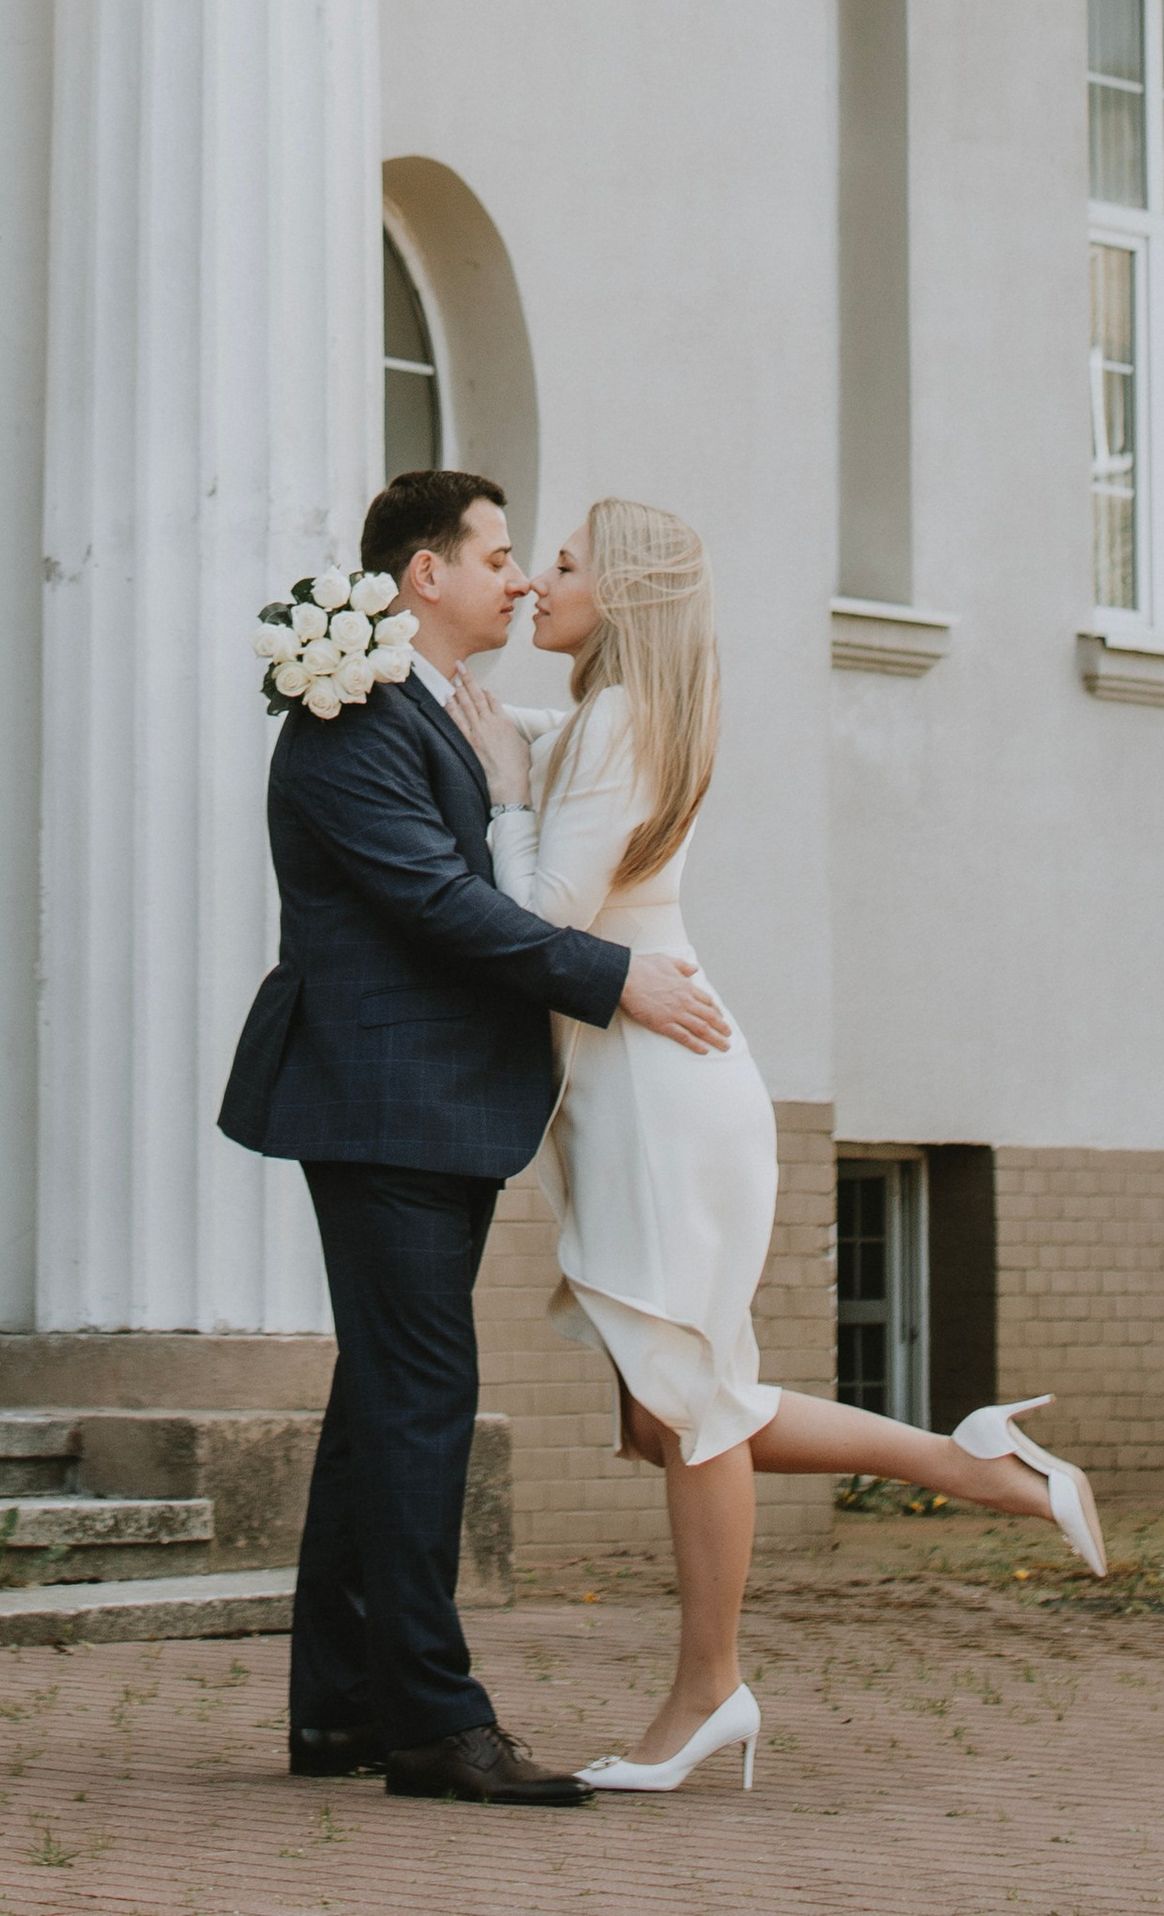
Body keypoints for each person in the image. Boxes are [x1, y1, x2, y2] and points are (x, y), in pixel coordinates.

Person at [449, 497, 1108, 1798]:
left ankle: (708, 1694)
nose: (537, 587)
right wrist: (482, 733)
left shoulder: (624, 725)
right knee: (676, 1417)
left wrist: (512, 799)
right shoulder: (613, 717)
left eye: (565, 566)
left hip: (663, 1105)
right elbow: (536, 752)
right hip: (656, 1097)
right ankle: (967, 1460)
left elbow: (544, 916)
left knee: (687, 1414)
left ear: (621, 598)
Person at [218, 468, 733, 1807]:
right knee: (423, 1400)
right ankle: (436, 1724)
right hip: (381, 1100)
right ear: (422, 578)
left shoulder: (462, 713)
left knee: (379, 1409)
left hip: (436, 1110)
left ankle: (340, 1707)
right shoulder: (351, 724)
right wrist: (612, 979)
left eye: (526, 559)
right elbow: (440, 905)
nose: (517, 579)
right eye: (498, 555)